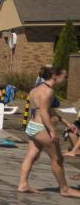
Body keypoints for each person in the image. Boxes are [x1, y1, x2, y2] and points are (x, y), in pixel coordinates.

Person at [18, 67, 80, 197]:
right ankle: (65, 189)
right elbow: (45, 112)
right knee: (57, 159)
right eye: (65, 76)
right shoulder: (48, 91)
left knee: (31, 156)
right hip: (42, 129)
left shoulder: (36, 89)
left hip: (33, 126)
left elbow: (45, 110)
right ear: (55, 76)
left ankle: (23, 184)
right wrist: (52, 130)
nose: (66, 80)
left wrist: (67, 123)